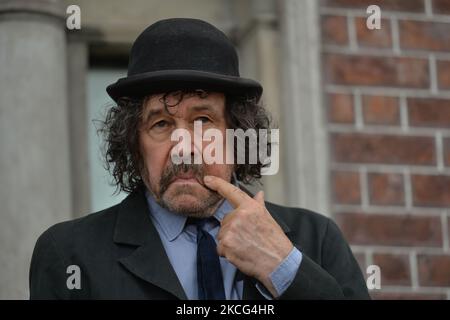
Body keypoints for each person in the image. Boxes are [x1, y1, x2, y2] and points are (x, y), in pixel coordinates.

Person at [29, 18, 370, 300]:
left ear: (238, 134)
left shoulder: (316, 240)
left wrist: (281, 266)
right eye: (161, 124)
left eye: (203, 121)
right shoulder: (69, 255)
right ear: (134, 145)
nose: (183, 146)